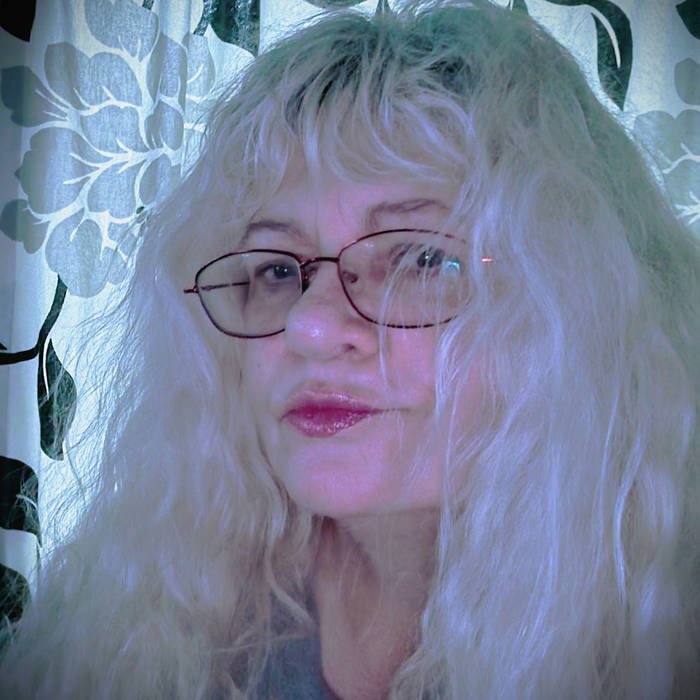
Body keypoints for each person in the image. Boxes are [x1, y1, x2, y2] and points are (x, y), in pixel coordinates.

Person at [1, 0, 698, 697]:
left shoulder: (663, 642)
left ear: (574, 304)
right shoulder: (153, 616)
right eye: (278, 269)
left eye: (422, 259)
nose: (308, 326)